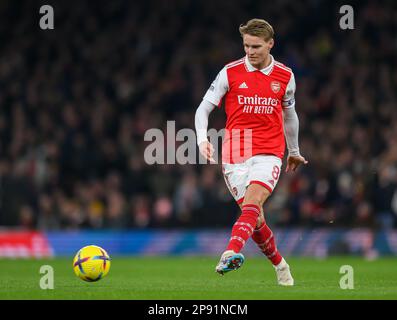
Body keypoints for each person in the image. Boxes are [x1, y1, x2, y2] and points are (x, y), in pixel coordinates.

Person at [194, 18, 307, 286]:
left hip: (269, 151)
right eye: (246, 46)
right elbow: (203, 108)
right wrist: (201, 140)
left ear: (270, 44)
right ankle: (280, 265)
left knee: (252, 203)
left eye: (256, 46)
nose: (250, 51)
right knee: (255, 219)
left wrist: (294, 150)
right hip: (235, 152)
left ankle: (231, 251)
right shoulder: (230, 72)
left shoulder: (285, 75)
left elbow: (290, 116)